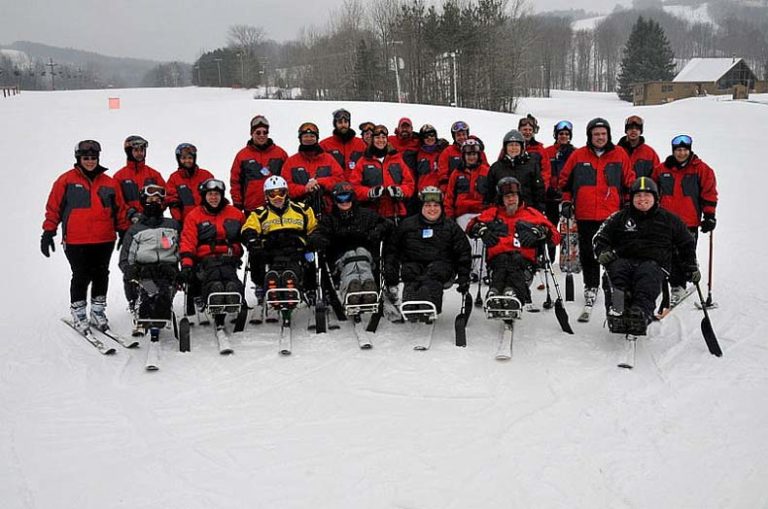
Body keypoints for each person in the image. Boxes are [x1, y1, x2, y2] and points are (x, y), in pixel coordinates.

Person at [41, 140, 129, 331]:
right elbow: (54, 208)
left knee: (101, 274)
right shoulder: (66, 181)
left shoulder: (110, 183)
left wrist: (123, 230)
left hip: (104, 238)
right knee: (80, 274)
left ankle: (98, 311)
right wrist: (48, 231)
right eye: (86, 158)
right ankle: (79, 313)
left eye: (93, 158)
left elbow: (120, 209)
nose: (90, 161)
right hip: (76, 240)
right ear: (79, 159)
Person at [593, 177, 699, 333]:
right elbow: (600, 237)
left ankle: (640, 313)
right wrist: (602, 252)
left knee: (646, 276)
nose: (642, 199)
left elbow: (686, 243)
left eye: (647, 195)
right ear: (632, 198)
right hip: (624, 259)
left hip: (655, 263)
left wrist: (691, 266)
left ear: (655, 197)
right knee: (616, 273)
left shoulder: (669, 219)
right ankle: (617, 311)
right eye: (638, 195)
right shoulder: (619, 217)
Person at [558, 117, 634, 312]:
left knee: (613, 253)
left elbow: (629, 181)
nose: (600, 137)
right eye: (596, 134)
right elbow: (564, 182)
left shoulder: (620, 154)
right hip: (585, 214)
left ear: (608, 135)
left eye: (603, 134)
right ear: (589, 136)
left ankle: (613, 283)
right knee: (588, 252)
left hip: (612, 215)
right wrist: (566, 200)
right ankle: (591, 285)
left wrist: (628, 203)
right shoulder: (578, 155)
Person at [468, 177, 559, 311]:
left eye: (514, 196)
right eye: (507, 196)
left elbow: (555, 236)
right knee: (503, 261)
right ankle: (499, 293)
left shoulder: (531, 214)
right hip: (498, 261)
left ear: (519, 196)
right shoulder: (492, 214)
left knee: (515, 261)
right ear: (501, 199)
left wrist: (539, 232)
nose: (511, 199)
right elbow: (471, 226)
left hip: (523, 262)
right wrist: (482, 230)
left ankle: (507, 292)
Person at [383, 187, 472, 317]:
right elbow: (392, 249)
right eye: (428, 205)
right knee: (410, 271)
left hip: (441, 265)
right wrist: (391, 274)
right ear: (421, 207)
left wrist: (464, 276)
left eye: (436, 205)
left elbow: (463, 251)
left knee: (434, 273)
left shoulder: (450, 227)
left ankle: (428, 302)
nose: (432, 209)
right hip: (413, 263)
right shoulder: (407, 225)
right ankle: (411, 303)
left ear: (441, 207)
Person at [652, 134, 718, 303]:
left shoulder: (701, 169)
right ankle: (668, 282)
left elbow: (709, 193)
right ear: (673, 151)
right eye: (678, 150)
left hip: (689, 221)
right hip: (665, 220)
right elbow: (652, 192)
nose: (681, 153)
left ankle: (678, 285)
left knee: (684, 253)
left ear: (689, 150)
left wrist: (709, 215)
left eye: (684, 150)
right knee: (666, 253)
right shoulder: (661, 170)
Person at [309, 182, 393, 305]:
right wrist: (322, 240)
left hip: (365, 256)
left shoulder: (365, 215)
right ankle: (351, 287)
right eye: (340, 198)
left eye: (347, 198)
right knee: (351, 257)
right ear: (335, 200)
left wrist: (376, 232)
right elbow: (317, 234)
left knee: (361, 254)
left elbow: (387, 224)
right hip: (341, 258)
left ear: (352, 198)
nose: (344, 202)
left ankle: (369, 286)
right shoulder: (330, 220)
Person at [241, 175, 318, 302]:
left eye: (281, 193)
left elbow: (314, 227)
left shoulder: (302, 209)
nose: (277, 198)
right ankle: (267, 284)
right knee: (256, 254)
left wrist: (313, 240)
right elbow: (248, 228)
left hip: (296, 249)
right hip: (271, 250)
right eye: (272, 194)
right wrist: (252, 240)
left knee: (306, 258)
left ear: (286, 193)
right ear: (266, 196)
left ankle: (300, 287)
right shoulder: (259, 213)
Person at [179, 179, 245, 320]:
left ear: (222, 195)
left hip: (229, 255)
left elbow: (246, 233)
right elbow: (188, 241)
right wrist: (186, 264)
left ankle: (233, 295)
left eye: (216, 194)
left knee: (227, 273)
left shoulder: (235, 214)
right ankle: (213, 295)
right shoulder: (194, 215)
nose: (213, 198)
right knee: (213, 273)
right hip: (206, 257)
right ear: (204, 196)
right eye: (210, 194)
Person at [118, 185, 181, 333]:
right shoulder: (136, 229)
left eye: (157, 200)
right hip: (144, 269)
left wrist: (185, 267)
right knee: (149, 287)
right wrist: (129, 268)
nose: (154, 203)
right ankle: (144, 312)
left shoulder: (172, 225)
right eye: (150, 199)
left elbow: (183, 248)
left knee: (163, 288)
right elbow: (126, 256)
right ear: (143, 201)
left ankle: (161, 312)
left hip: (167, 268)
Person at [350, 124, 415, 222]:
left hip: (395, 212)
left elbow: (410, 184)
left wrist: (400, 191)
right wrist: (369, 193)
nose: (381, 140)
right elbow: (354, 186)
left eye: (383, 137)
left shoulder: (396, 159)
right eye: (377, 137)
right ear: (372, 139)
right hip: (372, 213)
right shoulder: (363, 161)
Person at [229, 115, 289, 215]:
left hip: (276, 207)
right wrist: (237, 204)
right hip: (252, 208)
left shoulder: (280, 154)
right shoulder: (242, 155)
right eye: (258, 132)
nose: (262, 135)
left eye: (265, 132)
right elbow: (235, 182)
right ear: (251, 133)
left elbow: (288, 179)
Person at [282, 122, 344, 216]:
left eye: (312, 136)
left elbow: (340, 180)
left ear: (317, 138)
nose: (309, 139)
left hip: (327, 212)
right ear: (300, 139)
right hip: (299, 213)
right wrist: (305, 189)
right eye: (305, 136)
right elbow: (285, 188)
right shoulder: (291, 162)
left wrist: (319, 182)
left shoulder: (328, 159)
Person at [486, 129, 545, 211]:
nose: (514, 148)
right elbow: (490, 193)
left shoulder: (532, 165)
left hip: (527, 210)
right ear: (505, 148)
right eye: (511, 145)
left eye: (517, 145)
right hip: (503, 211)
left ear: (522, 147)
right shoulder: (496, 167)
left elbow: (539, 191)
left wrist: (539, 210)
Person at [114, 135, 166, 224]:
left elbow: (165, 197)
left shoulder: (154, 175)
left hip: (153, 223)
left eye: (142, 150)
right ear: (129, 152)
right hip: (129, 224)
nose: (140, 153)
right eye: (136, 150)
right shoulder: (119, 177)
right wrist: (131, 213)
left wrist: (156, 210)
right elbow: (117, 201)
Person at [544, 120, 576, 260]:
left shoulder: (575, 153)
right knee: (551, 229)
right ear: (556, 135)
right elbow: (544, 172)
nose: (563, 136)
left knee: (569, 230)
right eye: (561, 134)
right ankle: (549, 258)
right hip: (551, 198)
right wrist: (548, 188)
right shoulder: (548, 152)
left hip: (568, 198)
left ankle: (569, 258)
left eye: (566, 134)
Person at [166, 143, 215, 223]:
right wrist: (178, 221)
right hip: (186, 223)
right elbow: (172, 202)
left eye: (190, 158)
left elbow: (215, 197)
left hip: (208, 221)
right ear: (178, 159)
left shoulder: (206, 175)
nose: (187, 161)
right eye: (183, 158)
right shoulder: (174, 178)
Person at [320, 108, 367, 178]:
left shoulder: (360, 143)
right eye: (340, 122)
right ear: (335, 124)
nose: (343, 125)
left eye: (346, 122)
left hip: (356, 182)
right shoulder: (324, 145)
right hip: (335, 183)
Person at [517, 114, 552, 200]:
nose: (527, 132)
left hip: (534, 193)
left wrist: (542, 189)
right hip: (514, 192)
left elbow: (546, 172)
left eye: (530, 130)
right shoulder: (511, 147)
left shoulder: (540, 150)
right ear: (519, 130)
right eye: (525, 129)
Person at [617, 115, 660, 179]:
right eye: (630, 128)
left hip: (642, 185)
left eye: (637, 128)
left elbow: (657, 176)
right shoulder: (616, 152)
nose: (634, 130)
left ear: (640, 131)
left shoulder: (650, 154)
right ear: (626, 130)